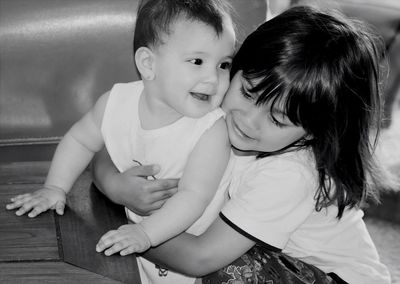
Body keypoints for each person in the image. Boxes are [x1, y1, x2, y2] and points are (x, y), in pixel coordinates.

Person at [94, 6, 392, 283]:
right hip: (279, 261)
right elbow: (109, 140)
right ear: (233, 67)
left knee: (231, 262)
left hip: (335, 278)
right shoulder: (207, 102)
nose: (249, 121)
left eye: (278, 120)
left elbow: (201, 258)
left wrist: (129, 228)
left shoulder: (291, 174)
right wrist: (114, 185)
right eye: (248, 92)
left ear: (314, 131)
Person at [6, 0, 236, 282]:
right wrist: (55, 187)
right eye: (197, 61)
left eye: (224, 64)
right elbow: (80, 140)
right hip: (123, 231)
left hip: (185, 252)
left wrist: (145, 233)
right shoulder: (117, 102)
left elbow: (193, 197)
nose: (213, 79)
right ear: (148, 64)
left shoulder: (212, 130)